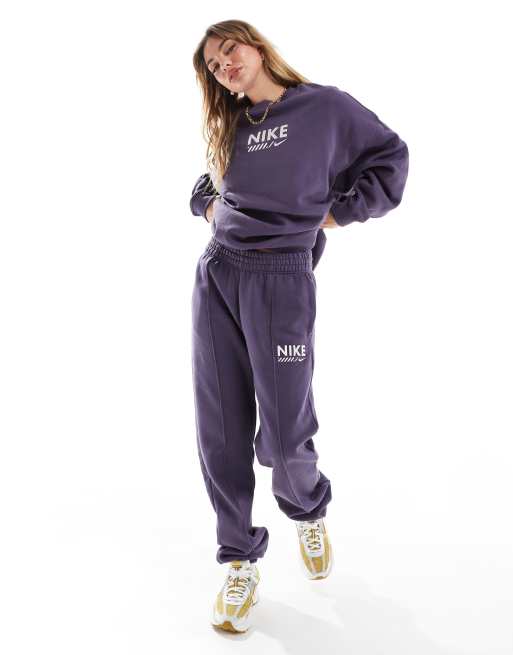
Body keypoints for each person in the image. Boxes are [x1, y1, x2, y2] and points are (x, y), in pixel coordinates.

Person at [189, 20, 409, 633]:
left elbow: (390, 157)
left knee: (285, 438)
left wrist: (334, 215)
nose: (225, 66)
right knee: (221, 431)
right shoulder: (232, 125)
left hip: (281, 280)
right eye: (214, 66)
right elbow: (207, 187)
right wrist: (210, 208)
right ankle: (239, 559)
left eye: (229, 50)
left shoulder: (323, 108)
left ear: (256, 46)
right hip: (219, 277)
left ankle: (307, 509)